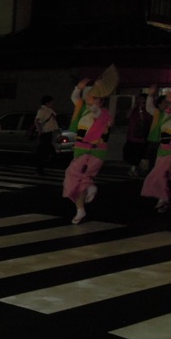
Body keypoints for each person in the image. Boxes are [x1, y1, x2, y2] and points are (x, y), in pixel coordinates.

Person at [63, 64, 118, 224]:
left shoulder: (103, 114)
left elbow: (94, 108)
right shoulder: (83, 110)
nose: (90, 99)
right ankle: (81, 207)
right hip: (80, 150)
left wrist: (93, 90)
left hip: (94, 152)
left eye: (95, 97)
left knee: (77, 179)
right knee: (76, 181)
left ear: (101, 101)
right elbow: (75, 99)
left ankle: (85, 198)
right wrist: (78, 88)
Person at [140, 86, 171, 213]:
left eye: (167, 103)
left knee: (160, 174)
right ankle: (163, 198)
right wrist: (150, 95)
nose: (165, 105)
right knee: (160, 175)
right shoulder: (161, 115)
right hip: (162, 149)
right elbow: (149, 108)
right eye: (164, 103)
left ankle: (164, 198)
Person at [122, 91, 153, 177]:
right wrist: (134, 106)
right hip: (131, 136)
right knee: (129, 152)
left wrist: (141, 110)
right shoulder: (135, 109)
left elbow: (144, 120)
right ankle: (135, 168)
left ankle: (135, 169)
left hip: (141, 137)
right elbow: (127, 116)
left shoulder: (148, 110)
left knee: (138, 154)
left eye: (142, 100)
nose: (140, 101)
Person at [32, 95, 59, 175]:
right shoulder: (42, 111)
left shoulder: (49, 110)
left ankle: (40, 169)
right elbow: (36, 121)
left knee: (45, 151)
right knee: (43, 151)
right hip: (45, 133)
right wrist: (40, 131)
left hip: (48, 133)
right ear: (47, 103)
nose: (52, 103)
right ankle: (39, 169)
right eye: (51, 102)